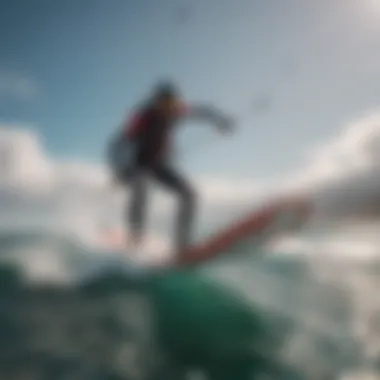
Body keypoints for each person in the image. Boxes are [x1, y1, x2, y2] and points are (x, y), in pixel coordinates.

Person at [110, 81, 234, 255]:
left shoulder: (175, 112)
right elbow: (121, 144)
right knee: (141, 190)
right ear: (156, 101)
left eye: (171, 103)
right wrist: (119, 171)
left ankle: (181, 245)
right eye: (164, 103)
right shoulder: (144, 116)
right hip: (137, 165)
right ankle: (134, 240)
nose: (168, 108)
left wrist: (221, 120)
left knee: (189, 195)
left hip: (159, 166)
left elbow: (204, 111)